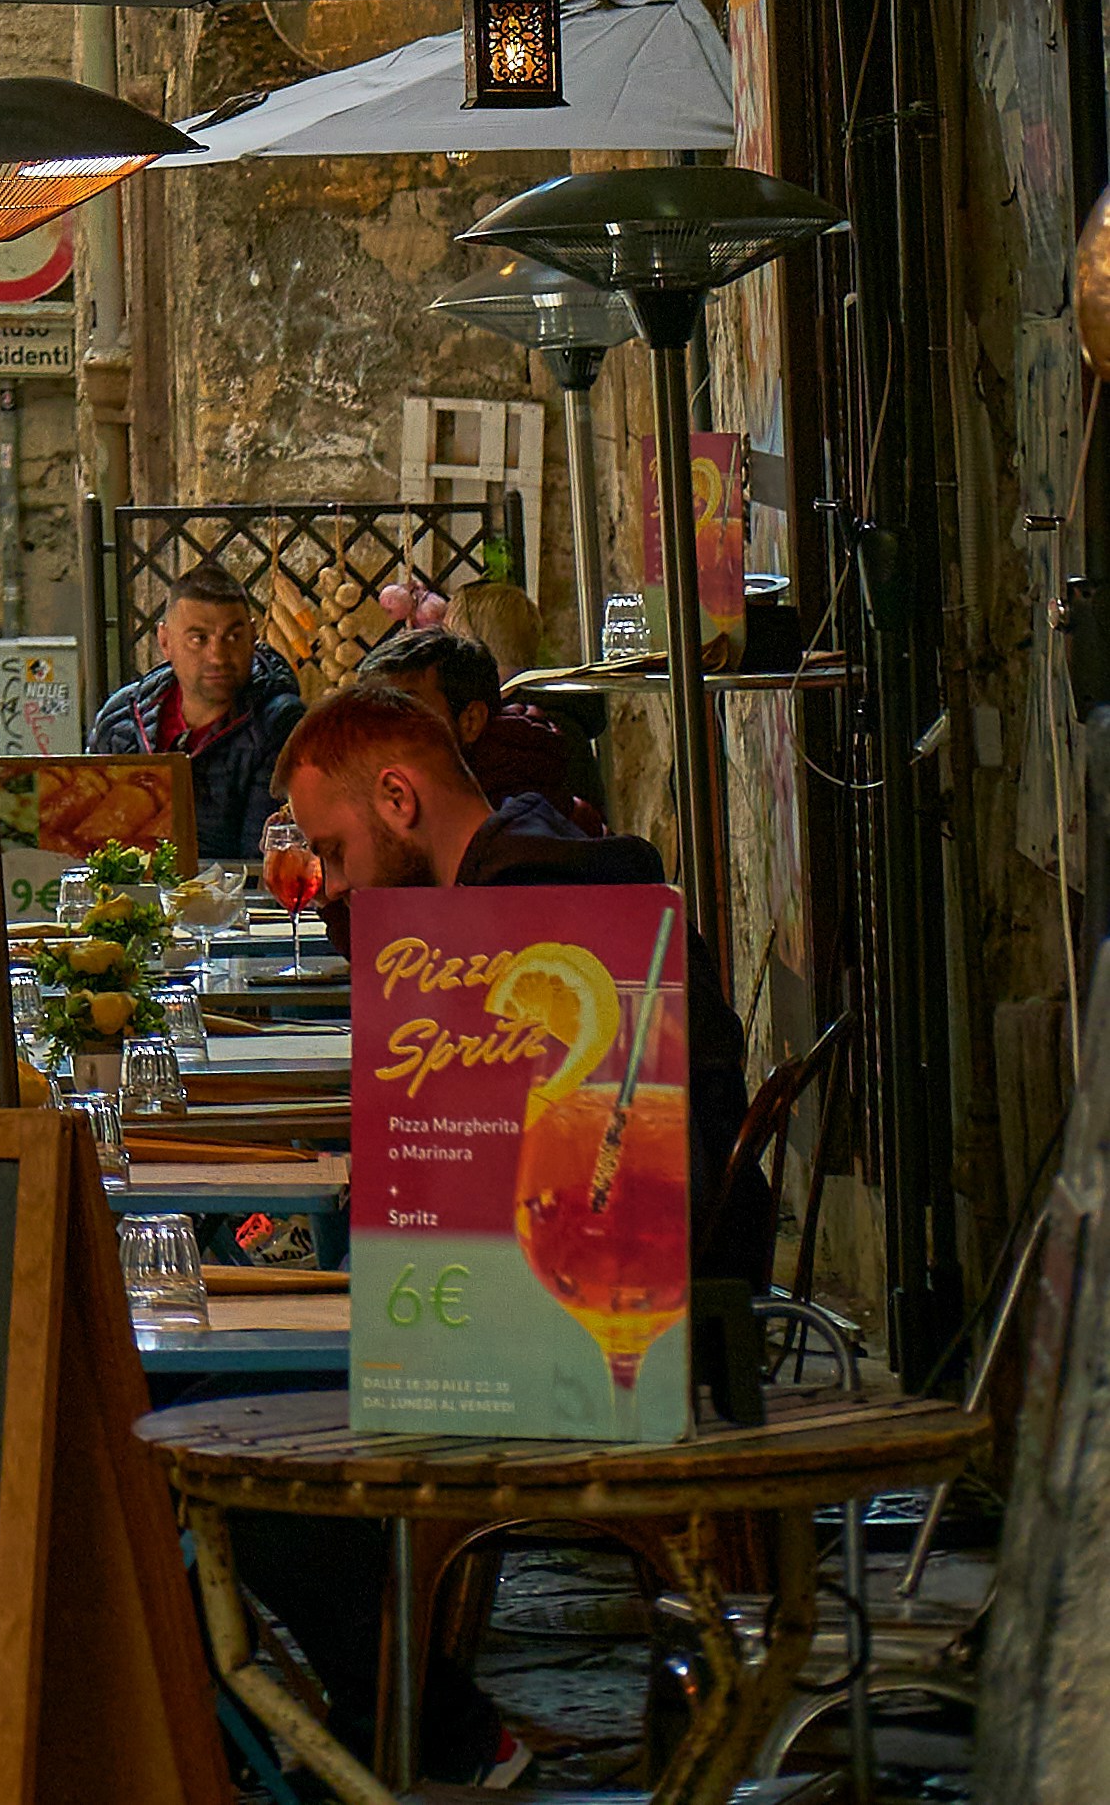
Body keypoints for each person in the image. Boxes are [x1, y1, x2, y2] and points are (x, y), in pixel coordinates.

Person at [252, 687, 771, 1790]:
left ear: (399, 796)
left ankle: (420, 1734)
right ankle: (394, 1727)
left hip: (607, 1312)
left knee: (247, 1450)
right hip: (643, 1279)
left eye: (335, 850)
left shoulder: (530, 904)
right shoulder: (526, 869)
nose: (330, 880)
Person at [86, 561, 304, 862]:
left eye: (233, 637)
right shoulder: (122, 716)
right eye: (198, 639)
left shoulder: (277, 722)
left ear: (253, 636)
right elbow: (88, 835)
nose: (217, 656)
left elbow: (260, 862)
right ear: (165, 641)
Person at [364, 624, 610, 838]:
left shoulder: (517, 823)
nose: (379, 734)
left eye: (404, 710)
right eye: (371, 717)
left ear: (470, 721)